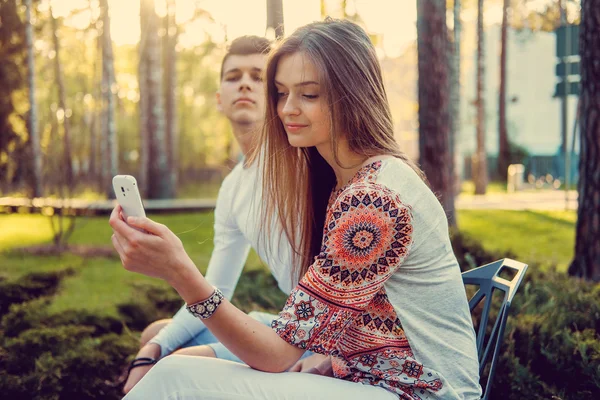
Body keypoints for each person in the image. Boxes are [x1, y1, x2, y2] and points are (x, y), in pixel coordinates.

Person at [111, 19, 482, 399]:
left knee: (177, 377)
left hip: (421, 393)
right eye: (281, 92)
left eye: (309, 95)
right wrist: (330, 359)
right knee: (182, 368)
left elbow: (276, 355)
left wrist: (178, 270)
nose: (287, 108)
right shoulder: (349, 181)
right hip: (374, 381)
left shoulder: (373, 201)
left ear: (352, 96)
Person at [122, 35, 319, 394]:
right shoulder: (233, 189)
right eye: (233, 76)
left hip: (322, 332)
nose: (244, 82)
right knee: (155, 336)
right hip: (289, 326)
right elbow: (217, 290)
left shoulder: (303, 163)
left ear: (278, 94)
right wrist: (151, 350)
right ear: (219, 99)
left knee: (172, 367)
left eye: (258, 77)